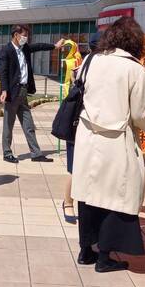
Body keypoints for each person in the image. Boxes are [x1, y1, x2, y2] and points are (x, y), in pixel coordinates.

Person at [71, 17, 145, 272]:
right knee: (116, 197)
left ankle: (86, 250)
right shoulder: (134, 69)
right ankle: (105, 257)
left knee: (88, 195)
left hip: (88, 138)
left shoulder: (90, 60)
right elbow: (139, 115)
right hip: (116, 140)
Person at [0, 25, 65, 163]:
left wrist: (55, 46)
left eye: (27, 36)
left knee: (29, 125)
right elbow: (3, 72)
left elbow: (40, 46)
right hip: (12, 93)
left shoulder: (25, 48)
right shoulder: (6, 50)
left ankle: (36, 153)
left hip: (23, 92)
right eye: (24, 35)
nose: (26, 38)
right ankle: (7, 153)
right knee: (8, 125)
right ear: (16, 35)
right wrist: (4, 90)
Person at [63, 31, 101, 224]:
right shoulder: (84, 65)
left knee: (89, 167)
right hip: (79, 123)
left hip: (97, 125)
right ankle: (68, 202)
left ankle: (83, 202)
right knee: (75, 167)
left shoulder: (100, 65)